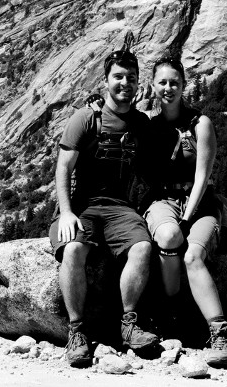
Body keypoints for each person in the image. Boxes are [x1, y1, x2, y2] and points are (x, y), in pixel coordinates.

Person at [50, 47, 159, 368]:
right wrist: (67, 212)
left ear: (139, 83)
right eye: (118, 77)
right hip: (82, 206)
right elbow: (62, 169)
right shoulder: (86, 118)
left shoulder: (141, 123)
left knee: (141, 248)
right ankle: (77, 331)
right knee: (73, 251)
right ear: (107, 80)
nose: (125, 83)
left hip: (121, 209)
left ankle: (128, 324)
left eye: (132, 78)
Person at [145, 56, 227, 368]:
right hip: (163, 203)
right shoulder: (150, 126)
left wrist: (186, 218)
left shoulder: (200, 124)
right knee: (167, 237)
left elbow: (202, 177)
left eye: (174, 82)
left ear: (184, 85)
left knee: (193, 256)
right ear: (153, 86)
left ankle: (220, 331)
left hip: (200, 203)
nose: (168, 88)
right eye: (162, 82)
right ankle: (173, 312)